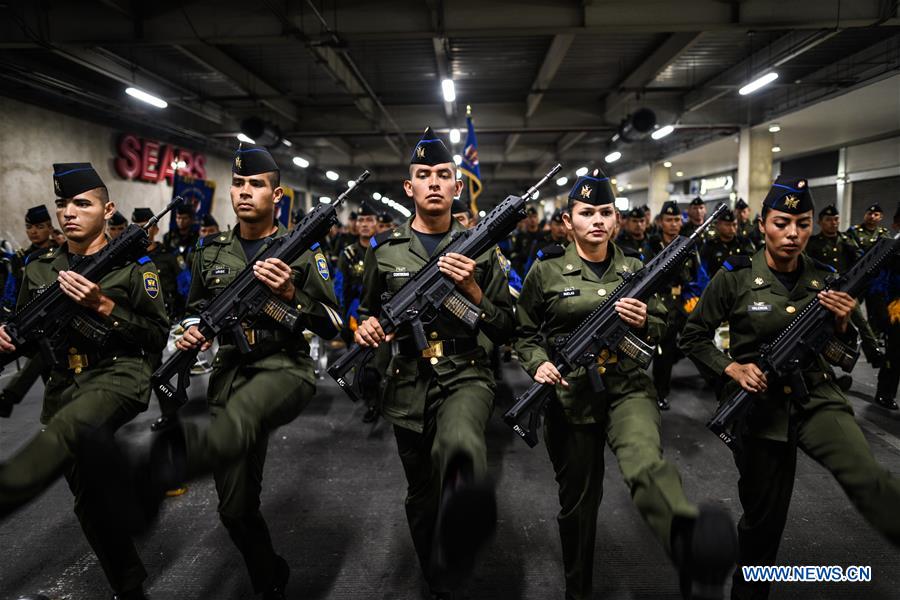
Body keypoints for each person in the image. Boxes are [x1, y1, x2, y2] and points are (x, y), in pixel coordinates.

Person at [109, 143, 343, 599]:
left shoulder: (300, 252)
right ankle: (270, 573)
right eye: (238, 184)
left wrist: (293, 294)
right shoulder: (210, 249)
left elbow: (334, 323)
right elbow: (196, 309)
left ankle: (163, 463)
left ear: (277, 197)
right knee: (234, 509)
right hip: (229, 375)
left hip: (283, 368)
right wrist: (195, 331)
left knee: (243, 422)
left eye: (256, 185)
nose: (244, 192)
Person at [514, 170, 737, 600]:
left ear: (616, 220)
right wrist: (538, 365)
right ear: (568, 221)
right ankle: (577, 590)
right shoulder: (545, 270)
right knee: (578, 506)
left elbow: (662, 324)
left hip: (628, 387)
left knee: (644, 464)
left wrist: (644, 321)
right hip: (569, 395)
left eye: (605, 212)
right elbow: (524, 333)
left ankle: (686, 539)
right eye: (586, 213)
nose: (596, 220)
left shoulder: (637, 268)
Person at [680, 175, 900, 599]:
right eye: (782, 223)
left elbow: (844, 355)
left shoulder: (827, 277)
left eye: (803, 223)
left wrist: (840, 323)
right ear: (762, 224)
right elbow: (693, 335)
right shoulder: (735, 277)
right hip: (758, 408)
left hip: (817, 398)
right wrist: (732, 369)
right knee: (762, 527)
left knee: (866, 476)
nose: (793, 234)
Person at [354, 127, 515, 597]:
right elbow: (367, 311)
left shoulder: (481, 249)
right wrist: (365, 328)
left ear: (457, 186)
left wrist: (473, 292)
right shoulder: (383, 252)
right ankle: (435, 575)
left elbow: (506, 327)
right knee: (422, 497)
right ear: (409, 188)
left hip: (467, 373)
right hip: (405, 381)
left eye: (443, 175)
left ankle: (465, 513)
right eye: (423, 175)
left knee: (461, 446)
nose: (434, 183)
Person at [0, 163, 169, 599]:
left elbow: (156, 335)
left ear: (107, 208)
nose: (68, 212)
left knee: (70, 437)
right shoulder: (39, 269)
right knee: (90, 504)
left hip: (118, 373)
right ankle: (130, 584)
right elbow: (26, 331)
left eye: (81, 203)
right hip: (63, 387)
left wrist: (104, 306)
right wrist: (9, 338)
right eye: (62, 204)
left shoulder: (134, 268)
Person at [806, 204, 883, 382]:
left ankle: (874, 353)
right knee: (822, 332)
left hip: (844, 292)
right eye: (828, 220)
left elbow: (859, 263)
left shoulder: (847, 240)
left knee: (860, 322)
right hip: (821, 293)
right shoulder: (813, 243)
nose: (833, 223)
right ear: (820, 222)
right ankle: (825, 372)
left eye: (836, 219)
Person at [0, 205, 60, 417]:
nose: (34, 231)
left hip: (56, 326)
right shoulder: (21, 258)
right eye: (29, 227)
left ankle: (10, 396)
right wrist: (7, 322)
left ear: (50, 228)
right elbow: (12, 292)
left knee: (52, 377)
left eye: (40, 226)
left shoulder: (63, 252)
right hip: (29, 322)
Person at [646, 201, 703, 410]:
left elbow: (697, 274)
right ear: (661, 222)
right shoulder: (652, 245)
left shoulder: (688, 243)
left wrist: (695, 295)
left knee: (696, 339)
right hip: (661, 302)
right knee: (664, 351)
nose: (673, 224)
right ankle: (660, 392)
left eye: (677, 220)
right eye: (669, 220)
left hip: (682, 301)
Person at [335, 202, 381, 423]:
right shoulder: (349, 253)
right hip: (355, 315)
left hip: (381, 312)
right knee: (363, 362)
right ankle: (372, 402)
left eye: (369, 220)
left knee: (382, 362)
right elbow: (340, 287)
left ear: (376, 224)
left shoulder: (384, 248)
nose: (365, 224)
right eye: (361, 220)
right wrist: (343, 320)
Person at [848, 203, 891, 337]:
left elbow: (887, 252)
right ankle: (848, 333)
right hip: (858, 276)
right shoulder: (854, 231)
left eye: (876, 214)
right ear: (865, 215)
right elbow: (853, 250)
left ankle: (875, 336)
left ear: (881, 217)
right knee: (851, 306)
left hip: (876, 278)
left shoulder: (883, 233)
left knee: (875, 310)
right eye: (869, 214)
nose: (872, 217)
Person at [132, 208, 180, 322]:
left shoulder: (170, 256)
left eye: (146, 226)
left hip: (165, 317)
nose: (142, 231)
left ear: (156, 229)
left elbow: (185, 288)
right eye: (137, 227)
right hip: (136, 318)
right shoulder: (128, 257)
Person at [699, 208, 756, 276]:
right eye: (727, 225)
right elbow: (703, 271)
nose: (732, 228)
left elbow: (754, 262)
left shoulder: (743, 243)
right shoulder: (710, 246)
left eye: (734, 225)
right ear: (718, 225)